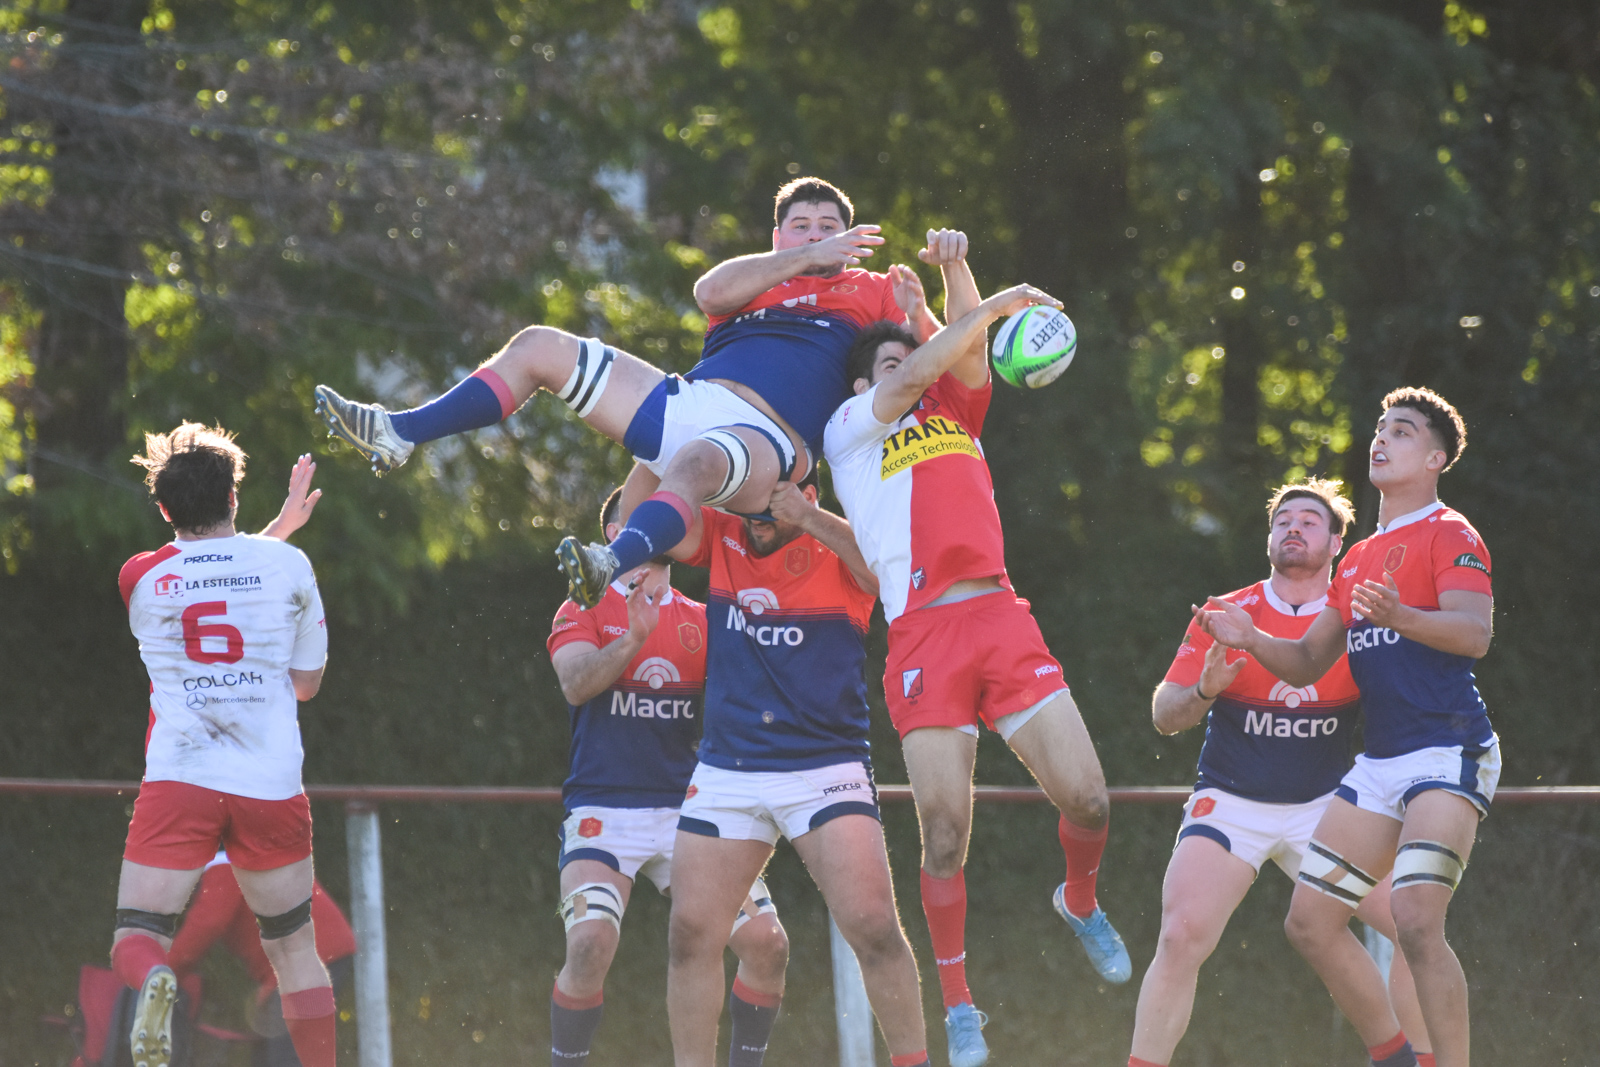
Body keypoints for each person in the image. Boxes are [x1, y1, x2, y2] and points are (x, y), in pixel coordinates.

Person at [312, 177, 943, 608]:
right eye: (799, 226)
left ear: (853, 237)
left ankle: (612, 562)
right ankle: (400, 433)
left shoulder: (873, 286)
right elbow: (708, 294)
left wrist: (931, 302)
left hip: (774, 441)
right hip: (691, 402)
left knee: (695, 463)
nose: (813, 235)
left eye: (828, 227)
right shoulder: (756, 276)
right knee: (537, 345)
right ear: (777, 237)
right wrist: (806, 257)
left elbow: (932, 363)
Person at [824, 249, 1127, 1067]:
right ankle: (962, 1006)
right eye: (896, 362)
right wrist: (982, 308)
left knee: (1090, 800)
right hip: (924, 636)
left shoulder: (954, 410)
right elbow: (938, 352)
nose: (915, 369)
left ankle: (1079, 898)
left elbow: (964, 356)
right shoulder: (853, 430)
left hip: (999, 615)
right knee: (946, 835)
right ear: (866, 384)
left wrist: (957, 274)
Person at [1193, 388, 1495, 1067]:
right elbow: (1303, 663)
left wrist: (1404, 617)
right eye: (1381, 427)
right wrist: (1249, 636)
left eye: (1404, 431)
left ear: (1437, 458)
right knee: (1309, 922)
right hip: (1382, 763)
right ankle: (1393, 1056)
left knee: (1416, 921)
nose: (1382, 439)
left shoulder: (1452, 532)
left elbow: (1475, 634)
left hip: (1448, 751)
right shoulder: (1357, 557)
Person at [1130, 480, 1430, 1067]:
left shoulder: (1360, 619)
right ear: (1269, 538)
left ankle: (1407, 1059)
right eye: (1282, 520)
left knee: (1413, 923)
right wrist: (1203, 690)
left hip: (1326, 808)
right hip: (1232, 802)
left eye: (1309, 521)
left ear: (1337, 542)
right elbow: (1165, 716)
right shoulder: (1224, 614)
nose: (1293, 527)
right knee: (1179, 935)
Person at [660, 461, 930, 1067]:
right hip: (729, 765)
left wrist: (807, 516)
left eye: (766, 511)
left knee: (874, 927)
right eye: (746, 509)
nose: (754, 526)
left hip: (823, 764)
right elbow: (649, 514)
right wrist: (667, 441)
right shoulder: (723, 532)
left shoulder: (835, 540)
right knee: (690, 935)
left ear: (801, 493)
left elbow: (885, 572)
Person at [113, 427, 334, 1067]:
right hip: (269, 788)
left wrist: (272, 534)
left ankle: (157, 978)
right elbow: (307, 686)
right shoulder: (288, 565)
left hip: (180, 782)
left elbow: (204, 573)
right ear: (234, 496)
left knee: (137, 935)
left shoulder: (140, 577)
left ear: (163, 509)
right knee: (295, 953)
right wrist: (279, 535)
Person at [546, 489, 789, 1067]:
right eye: (635, 522)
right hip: (605, 811)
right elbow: (576, 685)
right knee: (588, 945)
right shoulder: (578, 611)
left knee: (767, 945)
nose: (652, 533)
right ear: (611, 535)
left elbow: (757, 696)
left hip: (690, 815)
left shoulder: (705, 621)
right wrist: (632, 638)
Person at [167, 852, 357, 1067]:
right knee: (269, 1056)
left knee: (287, 1057)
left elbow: (207, 924)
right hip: (304, 961)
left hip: (309, 957)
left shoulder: (224, 866)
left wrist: (162, 973)